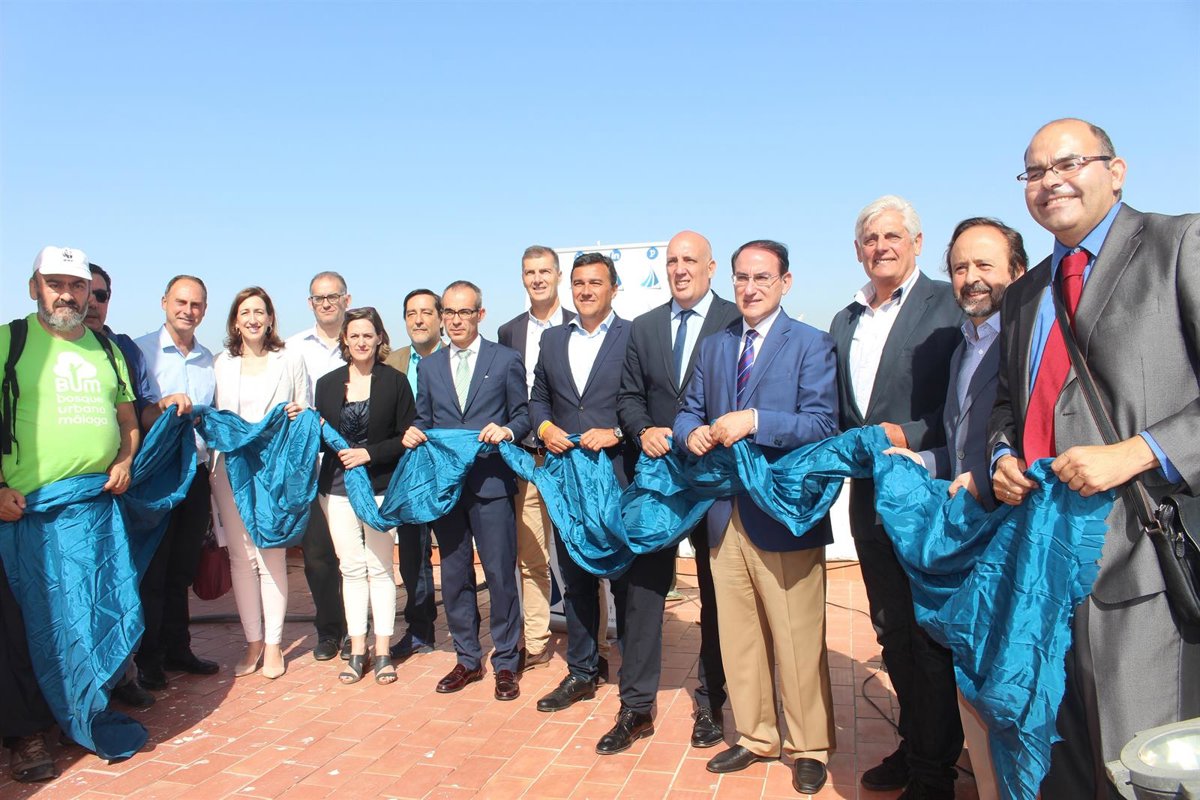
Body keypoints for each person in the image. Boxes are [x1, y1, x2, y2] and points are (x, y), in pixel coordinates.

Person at [989, 118, 1200, 797]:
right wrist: (1001, 456)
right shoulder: (1026, 294)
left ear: (1117, 170)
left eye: (1069, 163)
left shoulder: (1178, 245)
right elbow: (1007, 406)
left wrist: (1140, 452)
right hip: (1041, 569)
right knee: (1064, 764)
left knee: (1140, 770)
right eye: (1034, 171)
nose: (1050, 181)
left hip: (1141, 563)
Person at [674, 239, 839, 795]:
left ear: (785, 282)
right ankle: (756, 735)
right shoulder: (715, 347)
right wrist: (690, 433)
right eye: (742, 278)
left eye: (762, 277)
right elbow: (687, 409)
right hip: (723, 513)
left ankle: (809, 746)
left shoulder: (812, 344)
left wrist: (756, 420)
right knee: (739, 634)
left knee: (797, 637)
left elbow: (823, 425)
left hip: (784, 513)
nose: (749, 288)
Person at [885, 217, 1029, 799]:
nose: (972, 278)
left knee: (1001, 678)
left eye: (985, 265)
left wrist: (989, 478)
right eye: (961, 267)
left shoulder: (1028, 342)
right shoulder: (965, 346)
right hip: (966, 530)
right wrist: (921, 461)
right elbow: (959, 442)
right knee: (955, 666)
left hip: (1011, 531)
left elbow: (1040, 437)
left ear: (1018, 271)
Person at [828, 195, 964, 798]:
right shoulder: (845, 320)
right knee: (890, 628)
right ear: (858, 250)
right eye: (870, 239)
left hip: (927, 495)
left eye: (892, 236)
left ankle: (936, 770)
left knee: (930, 634)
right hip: (868, 498)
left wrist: (904, 436)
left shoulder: (948, 305)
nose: (881, 247)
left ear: (916, 243)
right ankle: (915, 747)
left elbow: (964, 407)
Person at [1, 246, 139, 783]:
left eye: (76, 285)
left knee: (90, 614)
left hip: (92, 510)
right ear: (34, 287)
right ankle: (28, 733)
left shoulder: (106, 348)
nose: (67, 294)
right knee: (25, 627)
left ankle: (81, 706)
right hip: (24, 513)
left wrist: (125, 459)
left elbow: (127, 420)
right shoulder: (10, 341)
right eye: (55, 283)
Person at [612, 230, 739, 754]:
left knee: (717, 592)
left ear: (710, 267)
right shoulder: (643, 327)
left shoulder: (736, 319)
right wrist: (643, 429)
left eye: (690, 260)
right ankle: (636, 707)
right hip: (659, 482)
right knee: (644, 593)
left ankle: (711, 702)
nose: (680, 269)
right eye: (671, 261)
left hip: (714, 481)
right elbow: (628, 397)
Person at [401, 281, 529, 701]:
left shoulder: (505, 360)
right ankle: (468, 658)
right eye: (450, 313)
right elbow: (424, 418)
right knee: (454, 575)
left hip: (491, 482)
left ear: (480, 314)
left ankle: (506, 660)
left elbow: (522, 416)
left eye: (465, 312)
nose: (456, 320)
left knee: (499, 573)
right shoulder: (429, 367)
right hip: (447, 487)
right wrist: (414, 432)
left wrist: (507, 431)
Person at [529, 253, 633, 714]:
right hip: (567, 478)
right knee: (575, 578)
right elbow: (539, 397)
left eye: (595, 282)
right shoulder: (553, 339)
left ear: (613, 287)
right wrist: (545, 428)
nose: (586, 290)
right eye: (578, 283)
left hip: (617, 474)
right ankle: (582, 671)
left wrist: (618, 432)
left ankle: (634, 670)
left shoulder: (633, 336)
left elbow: (646, 399)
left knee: (626, 577)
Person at [210, 287, 309, 680]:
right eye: (245, 312)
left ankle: (273, 644)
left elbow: (306, 409)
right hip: (230, 468)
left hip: (274, 467)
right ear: (235, 321)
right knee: (241, 557)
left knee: (271, 552)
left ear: (270, 319)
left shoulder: (290, 359)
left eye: (259, 311)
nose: (252, 319)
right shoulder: (221, 363)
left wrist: (300, 413)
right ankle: (252, 641)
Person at [314, 307, 415, 685]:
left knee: (381, 567)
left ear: (379, 339)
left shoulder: (395, 382)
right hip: (337, 489)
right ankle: (358, 649)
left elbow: (406, 438)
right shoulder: (326, 384)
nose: (360, 342)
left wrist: (369, 454)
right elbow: (319, 438)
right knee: (351, 568)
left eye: (367, 335)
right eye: (354, 335)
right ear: (345, 339)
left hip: (381, 488)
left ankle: (383, 650)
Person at [133, 275, 218, 691]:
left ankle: (178, 649)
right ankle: (148, 659)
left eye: (196, 304)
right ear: (165, 301)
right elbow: (134, 410)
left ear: (205, 310)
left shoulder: (208, 359)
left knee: (182, 568)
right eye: (181, 302)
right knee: (154, 568)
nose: (188, 310)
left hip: (195, 474)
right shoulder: (140, 351)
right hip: (157, 475)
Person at [497, 245, 576, 672]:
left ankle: (592, 646)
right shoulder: (508, 332)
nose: (538, 279)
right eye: (530, 272)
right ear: (522, 278)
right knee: (531, 558)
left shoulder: (579, 323)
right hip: (526, 460)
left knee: (578, 555)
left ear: (558, 275)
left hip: (568, 459)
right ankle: (536, 641)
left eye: (545, 271)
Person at [286, 272, 351, 662]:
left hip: (352, 464)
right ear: (310, 303)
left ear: (346, 299)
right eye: (319, 298)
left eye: (333, 296)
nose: (326, 303)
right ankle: (329, 631)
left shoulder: (359, 341)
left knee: (356, 555)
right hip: (311, 466)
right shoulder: (293, 348)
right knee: (318, 556)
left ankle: (358, 630)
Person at [381, 289, 441, 660]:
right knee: (413, 555)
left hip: (449, 469)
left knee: (455, 553)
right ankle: (420, 631)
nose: (418, 320)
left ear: (440, 317)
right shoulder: (392, 363)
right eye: (410, 313)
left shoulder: (457, 357)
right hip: (407, 473)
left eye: (425, 312)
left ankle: (469, 633)